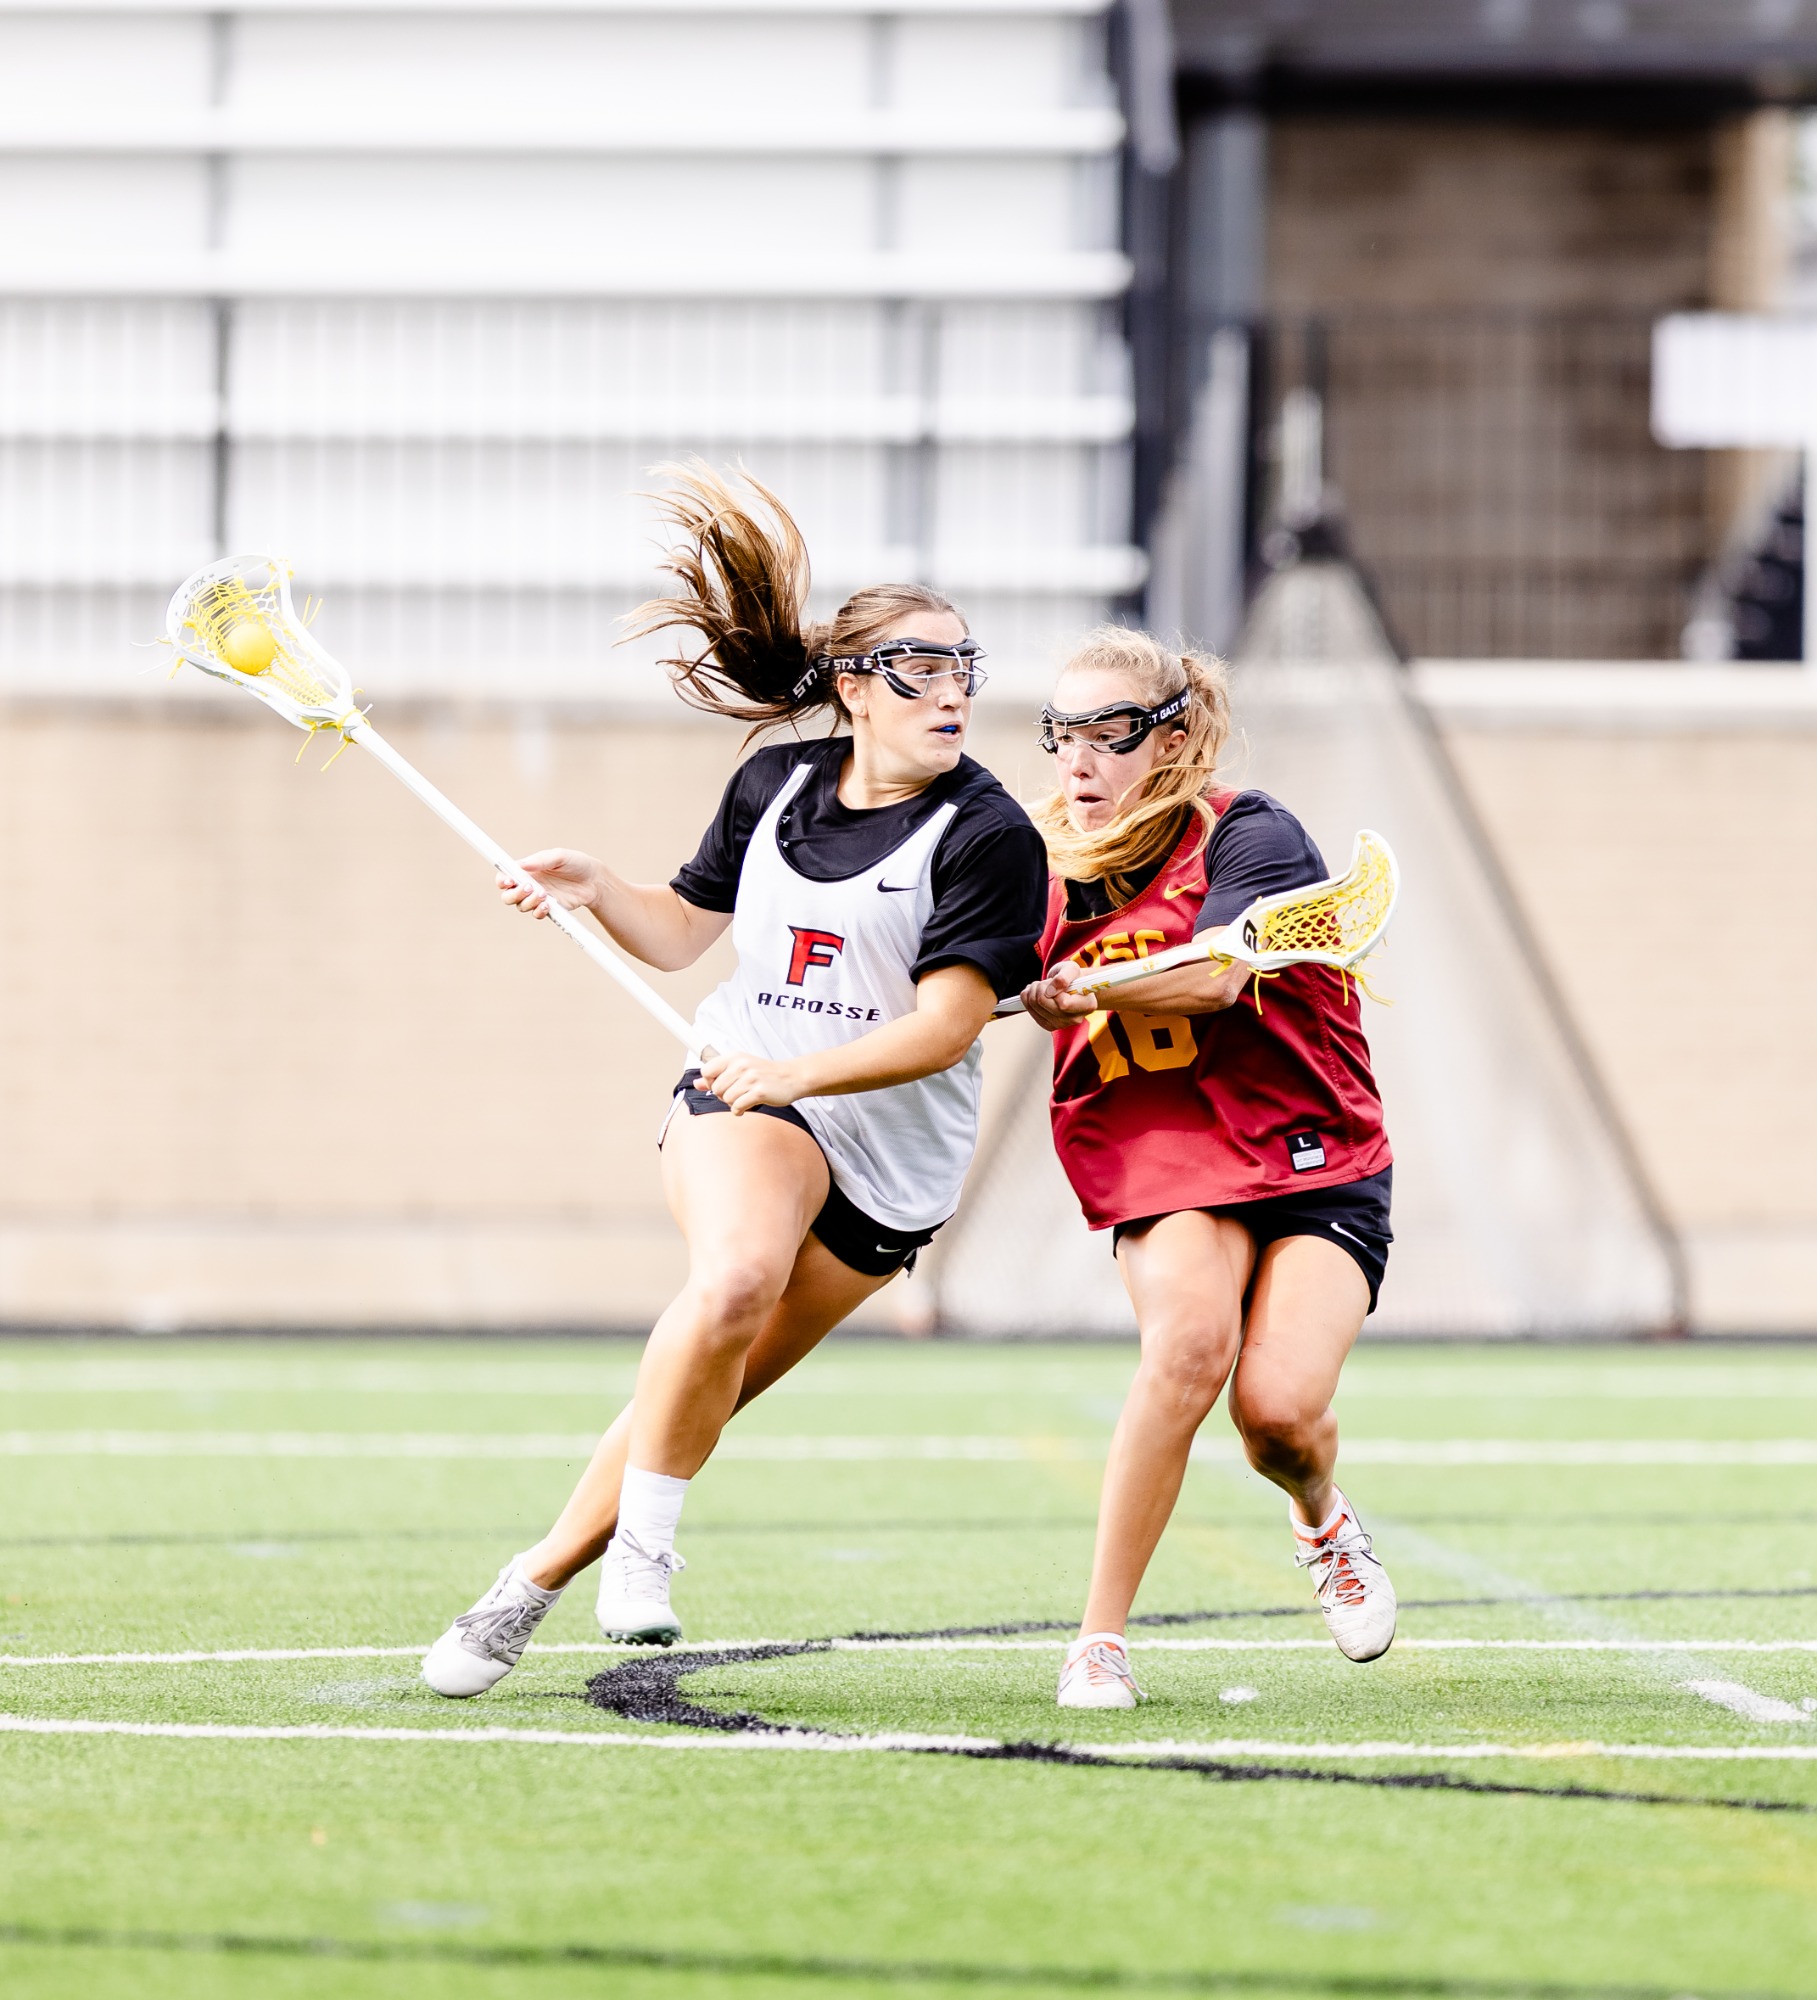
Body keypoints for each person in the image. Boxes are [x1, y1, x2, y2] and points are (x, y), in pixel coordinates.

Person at [423, 465, 1047, 1697]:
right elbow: (677, 932)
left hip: (893, 1159)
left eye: (964, 662)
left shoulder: (987, 835)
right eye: (923, 665)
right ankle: (646, 1550)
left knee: (704, 1382)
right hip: (751, 1098)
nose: (955, 688)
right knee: (733, 1274)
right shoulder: (773, 787)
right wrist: (595, 889)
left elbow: (942, 1030)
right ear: (857, 686)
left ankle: (528, 1580)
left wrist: (798, 1065)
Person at [1017, 627, 1396, 1711]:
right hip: (1160, 1150)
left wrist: (1086, 991)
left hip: (1306, 1147)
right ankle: (1097, 1639)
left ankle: (1317, 1507)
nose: (1079, 760)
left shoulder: (1248, 832)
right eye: (1062, 735)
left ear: (1171, 737)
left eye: (1109, 733)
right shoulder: (1032, 863)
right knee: (1187, 1342)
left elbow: (1217, 978)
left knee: (1274, 1412)